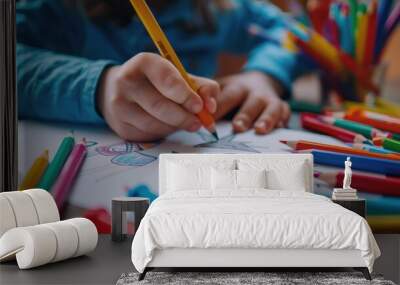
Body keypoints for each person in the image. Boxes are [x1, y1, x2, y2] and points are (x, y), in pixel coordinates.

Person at [16, 0, 306, 142]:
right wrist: (99, 87)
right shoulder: (54, 9)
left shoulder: (214, 7)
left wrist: (264, 75)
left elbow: (295, 32)